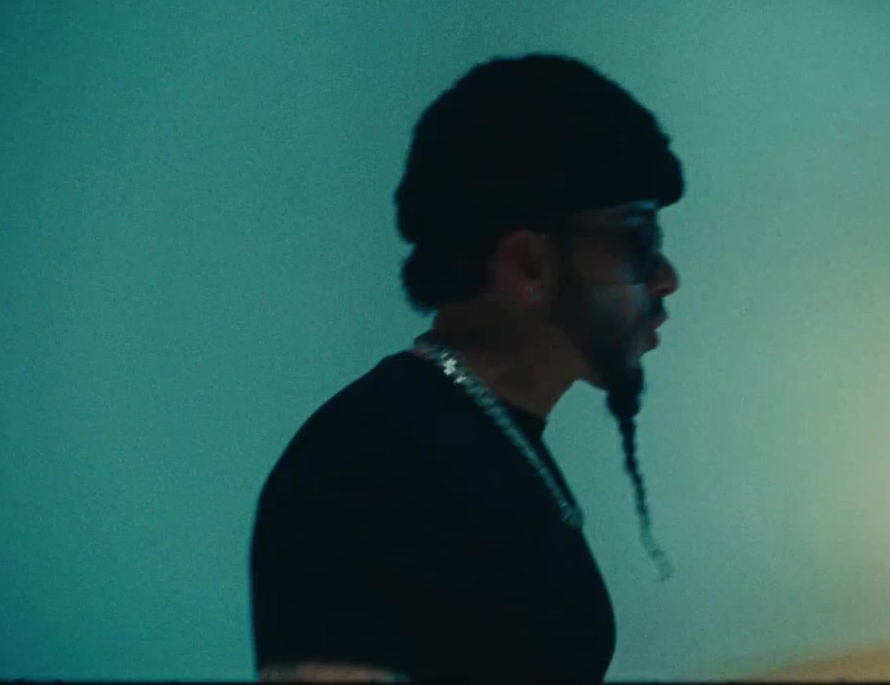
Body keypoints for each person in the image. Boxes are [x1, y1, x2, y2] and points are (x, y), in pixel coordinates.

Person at [250, 53, 685, 682]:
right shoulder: (358, 472)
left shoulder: (490, 433)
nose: (666, 278)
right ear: (528, 265)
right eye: (638, 241)